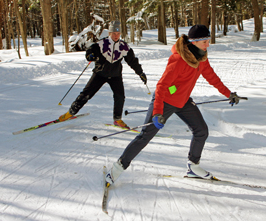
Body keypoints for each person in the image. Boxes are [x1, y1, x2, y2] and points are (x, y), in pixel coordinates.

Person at [105, 24, 245, 185]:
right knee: (145, 136)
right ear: (193, 42)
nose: (207, 45)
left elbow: (212, 77)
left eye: (208, 41)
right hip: (164, 101)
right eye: (204, 42)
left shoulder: (202, 58)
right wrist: (157, 112)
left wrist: (229, 93)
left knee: (201, 131)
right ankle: (117, 169)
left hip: (183, 101)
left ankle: (193, 166)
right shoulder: (178, 60)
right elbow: (162, 87)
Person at [59, 20, 147, 129]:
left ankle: (117, 119)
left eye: (118, 33)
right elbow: (90, 52)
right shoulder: (101, 44)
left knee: (120, 97)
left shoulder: (124, 47)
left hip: (115, 76)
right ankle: (70, 113)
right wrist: (90, 56)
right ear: (109, 33)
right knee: (86, 94)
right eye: (114, 33)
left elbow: (133, 61)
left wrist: (141, 73)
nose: (116, 36)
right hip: (100, 74)